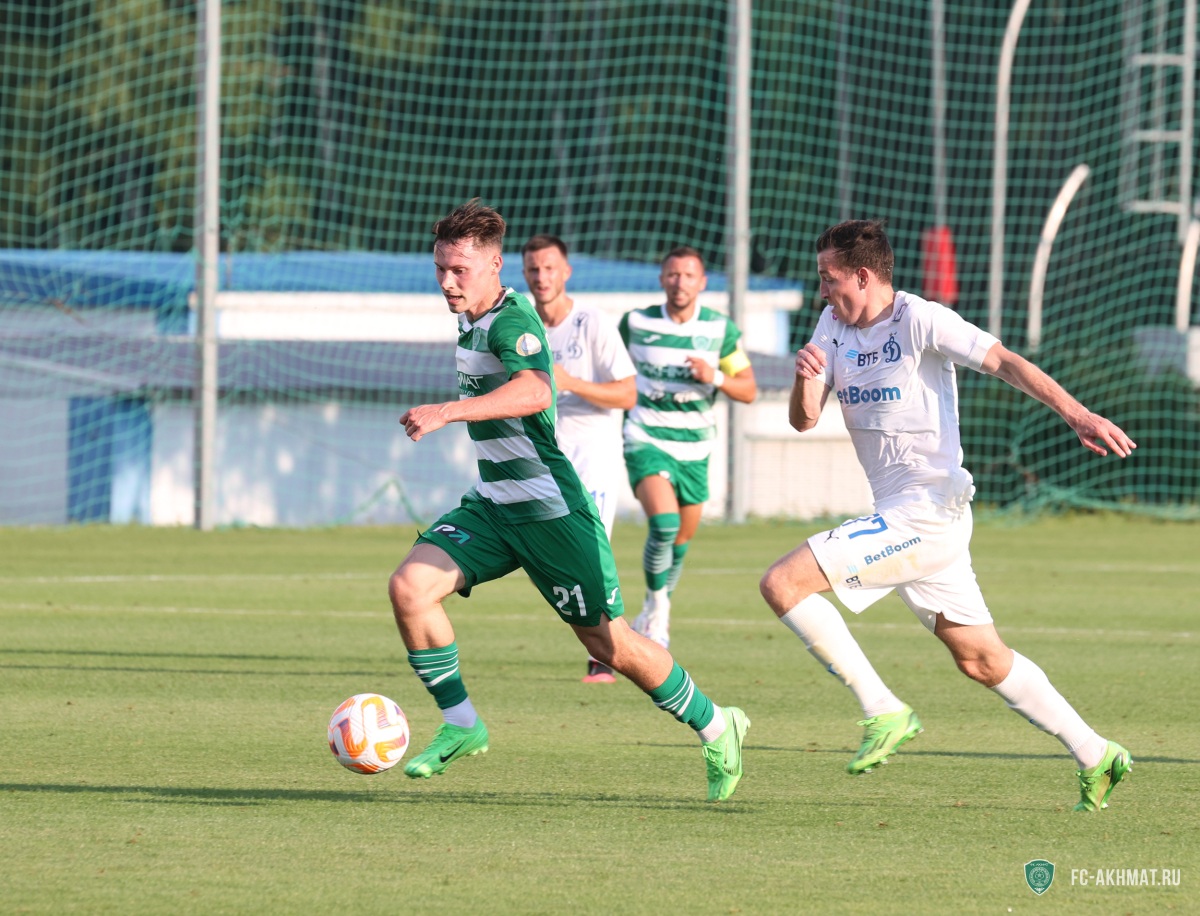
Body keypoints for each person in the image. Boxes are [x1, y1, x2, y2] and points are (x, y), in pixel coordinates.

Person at [759, 219, 1134, 812]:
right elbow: (804, 420)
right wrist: (805, 380)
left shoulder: (921, 319)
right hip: (907, 519)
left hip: (927, 513)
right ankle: (1097, 752)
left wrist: (1078, 415)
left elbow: (1005, 361)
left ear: (864, 275)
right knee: (981, 660)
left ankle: (883, 708)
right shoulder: (832, 324)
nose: (822, 290)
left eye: (829, 278)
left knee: (782, 583)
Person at [390, 200, 749, 801]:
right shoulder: (470, 319)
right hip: (495, 505)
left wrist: (448, 411)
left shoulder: (511, 322)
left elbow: (536, 390)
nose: (448, 282)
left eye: (460, 270)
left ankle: (717, 725)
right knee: (409, 589)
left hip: (550, 511)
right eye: (441, 269)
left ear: (494, 266)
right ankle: (461, 724)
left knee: (609, 644)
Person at [620, 246, 757, 648]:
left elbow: (747, 389)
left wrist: (714, 376)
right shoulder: (636, 323)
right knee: (664, 525)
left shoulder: (719, 329)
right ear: (662, 279)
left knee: (680, 541)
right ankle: (658, 612)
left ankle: (652, 609)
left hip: (695, 448)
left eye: (688, 275)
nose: (680, 282)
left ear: (702, 282)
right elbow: (608, 365)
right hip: (646, 438)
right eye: (673, 274)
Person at [521, 233, 638, 684]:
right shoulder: (522, 324)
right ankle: (613, 640)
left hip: (592, 463)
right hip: (542, 465)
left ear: (566, 272)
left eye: (549, 267)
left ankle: (606, 653)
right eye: (534, 268)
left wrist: (570, 383)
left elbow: (627, 394)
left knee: (591, 556)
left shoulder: (592, 323)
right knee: (550, 560)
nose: (542, 276)